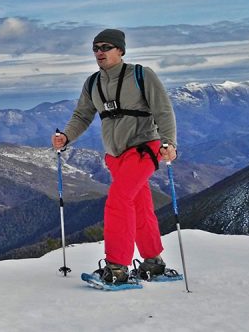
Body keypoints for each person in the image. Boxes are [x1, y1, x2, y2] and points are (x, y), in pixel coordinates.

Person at [51, 28, 178, 285]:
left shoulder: (141, 75)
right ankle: (154, 262)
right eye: (95, 48)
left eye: (105, 47)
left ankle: (117, 267)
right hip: (115, 156)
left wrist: (169, 142)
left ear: (120, 50)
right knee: (139, 205)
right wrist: (66, 136)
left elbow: (163, 110)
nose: (99, 52)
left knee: (118, 201)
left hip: (144, 149)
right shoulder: (92, 83)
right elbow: (82, 116)